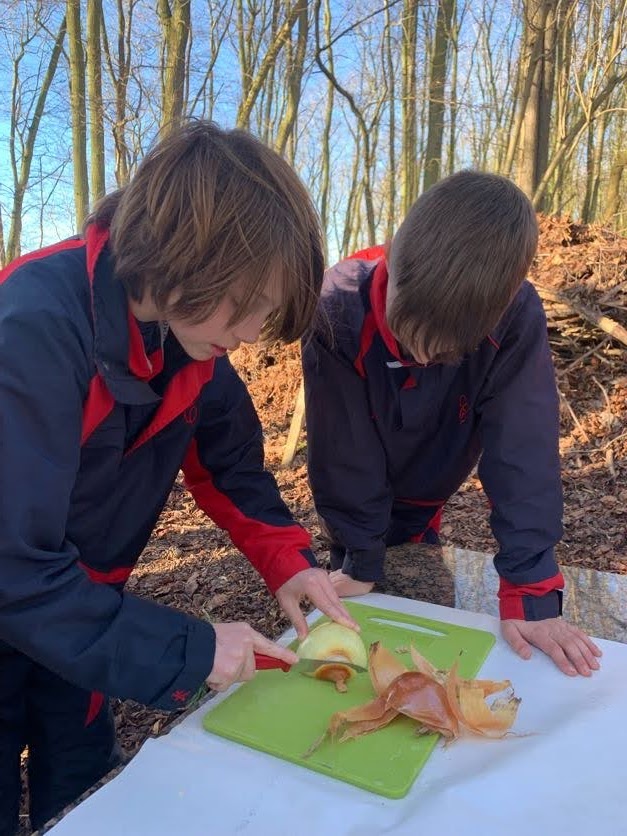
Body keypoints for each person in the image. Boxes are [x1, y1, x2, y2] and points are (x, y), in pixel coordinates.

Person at [0, 120, 357, 835]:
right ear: (187, 255)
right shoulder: (31, 327)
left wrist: (289, 566)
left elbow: (232, 471)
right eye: (248, 305)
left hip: (88, 616)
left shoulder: (189, 340)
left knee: (84, 784)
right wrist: (188, 650)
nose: (252, 334)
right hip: (29, 599)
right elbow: (11, 566)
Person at [302, 170, 602, 681]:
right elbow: (344, 453)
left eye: (442, 352)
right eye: (406, 333)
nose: (419, 355)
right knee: (361, 610)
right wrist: (359, 559)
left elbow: (522, 449)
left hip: (428, 492)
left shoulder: (515, 315)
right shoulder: (338, 310)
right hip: (355, 500)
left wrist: (531, 588)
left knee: (421, 631)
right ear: (393, 255)